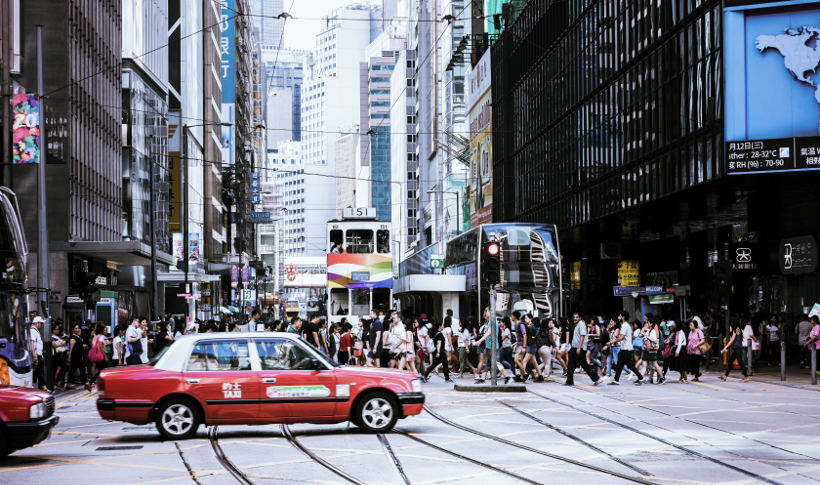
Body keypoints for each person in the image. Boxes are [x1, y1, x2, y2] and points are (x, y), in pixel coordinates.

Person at [565, 313, 601, 386]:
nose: (575, 318)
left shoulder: (581, 324)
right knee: (571, 365)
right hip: (574, 348)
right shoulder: (577, 325)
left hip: (579, 348)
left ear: (580, 318)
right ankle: (569, 381)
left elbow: (582, 336)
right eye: (574, 317)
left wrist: (579, 347)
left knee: (584, 365)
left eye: (577, 317)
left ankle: (596, 378)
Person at [610, 311, 644, 385]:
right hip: (623, 348)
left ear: (623, 317)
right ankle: (616, 380)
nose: (618, 318)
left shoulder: (625, 325)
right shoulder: (624, 325)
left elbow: (622, 337)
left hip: (627, 349)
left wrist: (612, 342)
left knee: (630, 365)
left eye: (619, 316)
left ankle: (641, 378)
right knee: (619, 364)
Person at [66, 323, 91, 390]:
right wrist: (69, 357)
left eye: (78, 328)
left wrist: (84, 346)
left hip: (78, 355)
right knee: (82, 368)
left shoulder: (77, 337)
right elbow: (71, 348)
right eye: (76, 328)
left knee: (72, 370)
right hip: (76, 357)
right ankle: (86, 383)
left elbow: (79, 345)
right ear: (73, 329)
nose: (78, 329)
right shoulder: (73, 337)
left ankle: (68, 384)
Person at [29, 316, 45, 390]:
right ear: (37, 323)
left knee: (37, 371)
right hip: (35, 355)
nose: (41, 325)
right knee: (39, 371)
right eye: (41, 323)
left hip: (38, 354)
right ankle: (43, 387)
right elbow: (32, 343)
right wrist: (34, 355)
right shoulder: (33, 331)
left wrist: (40, 354)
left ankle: (33, 385)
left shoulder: (35, 331)